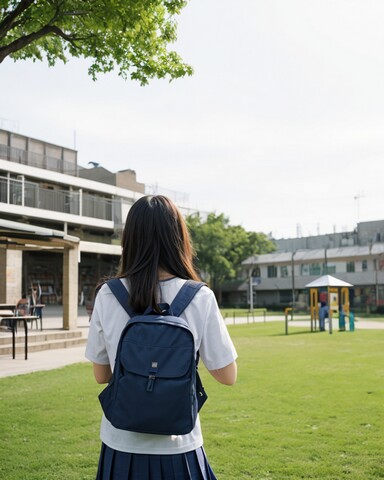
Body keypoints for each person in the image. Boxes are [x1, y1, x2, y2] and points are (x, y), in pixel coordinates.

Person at [85, 195, 238, 480]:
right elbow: (227, 376)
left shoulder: (107, 294)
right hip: (179, 446)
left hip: (121, 445)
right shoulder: (199, 296)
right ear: (178, 238)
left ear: (129, 239)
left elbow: (101, 375)